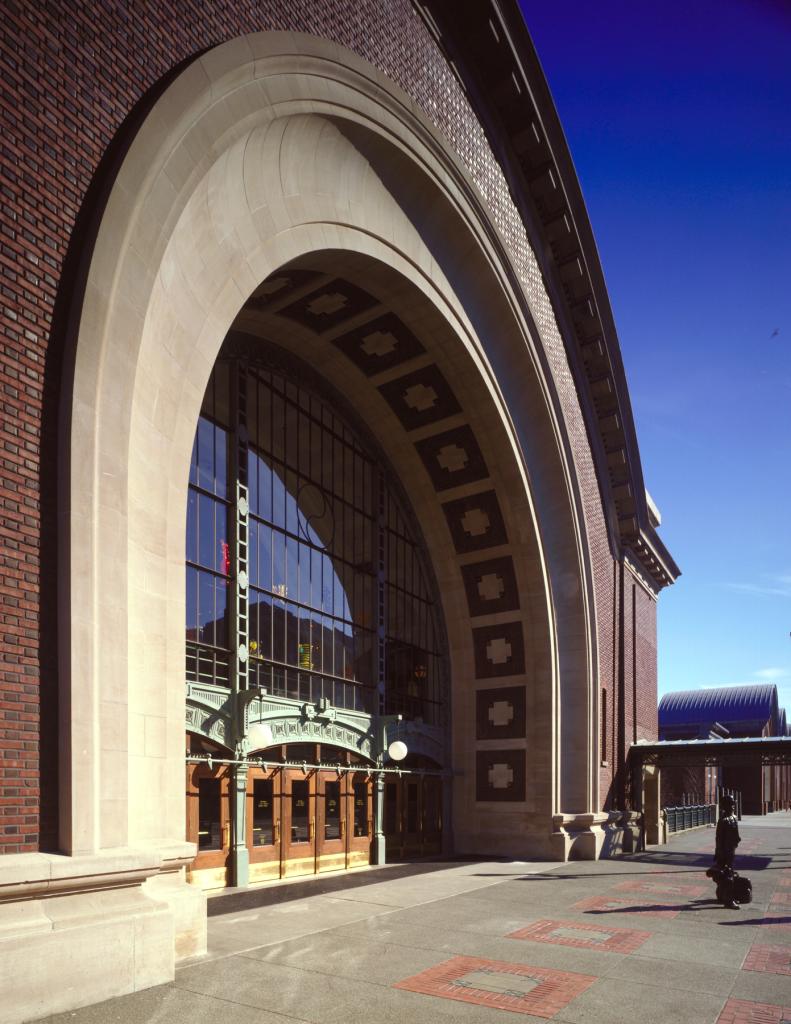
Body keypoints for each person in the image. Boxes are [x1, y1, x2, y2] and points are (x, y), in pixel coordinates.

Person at [713, 794, 741, 909]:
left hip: (731, 850)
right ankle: (728, 900)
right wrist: (719, 853)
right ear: (725, 806)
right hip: (724, 851)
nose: (733, 806)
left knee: (726, 874)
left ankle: (721, 895)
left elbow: (736, 834)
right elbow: (718, 839)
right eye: (730, 804)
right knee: (727, 875)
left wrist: (736, 841)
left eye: (733, 804)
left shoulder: (734, 817)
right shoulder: (723, 821)